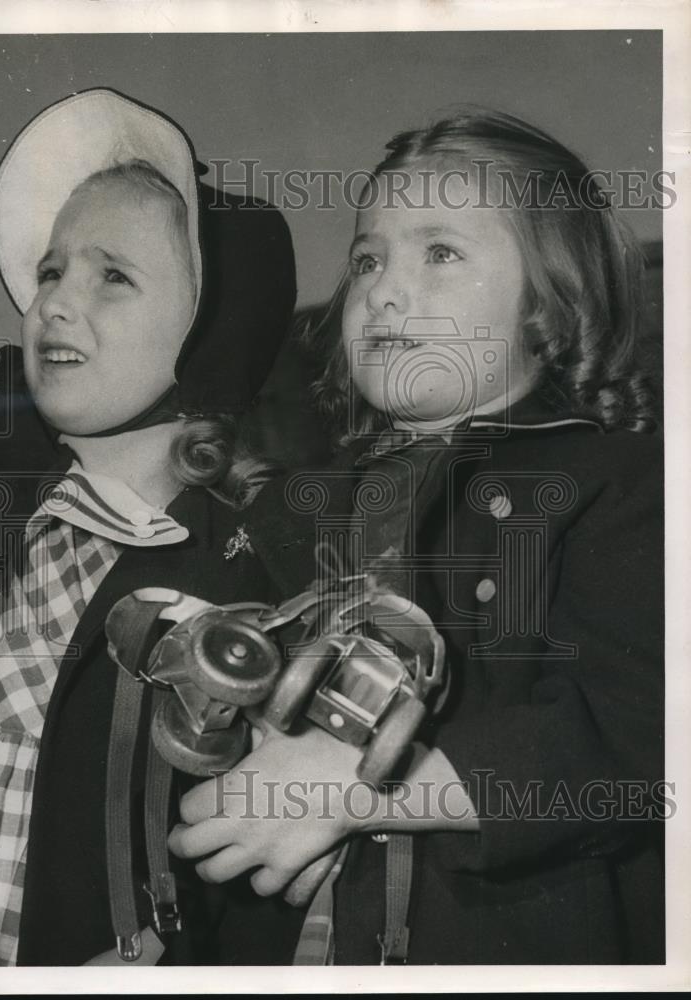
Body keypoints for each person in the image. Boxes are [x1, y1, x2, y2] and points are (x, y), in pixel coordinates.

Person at [169, 108, 665, 965]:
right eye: (368, 258)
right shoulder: (301, 508)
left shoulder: (623, 487)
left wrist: (361, 789)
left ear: (556, 300)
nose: (384, 289)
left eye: (440, 252)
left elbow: (639, 737)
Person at [0, 87, 298, 966]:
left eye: (112, 275)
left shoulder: (249, 593)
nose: (55, 303)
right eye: (50, 271)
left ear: (213, 331)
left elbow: (254, 890)